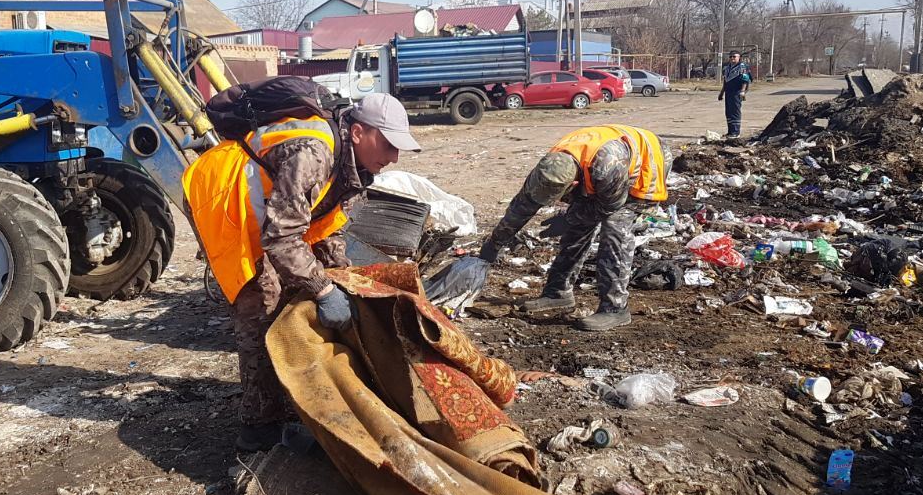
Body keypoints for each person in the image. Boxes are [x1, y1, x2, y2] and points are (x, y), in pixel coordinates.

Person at [182, 92, 420, 451]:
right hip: (222, 201)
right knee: (263, 302)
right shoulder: (313, 152)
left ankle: (291, 391)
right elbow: (280, 238)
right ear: (357, 132)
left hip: (264, 214)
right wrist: (323, 289)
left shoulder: (351, 165)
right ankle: (259, 431)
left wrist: (340, 275)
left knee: (300, 290)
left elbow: (325, 226)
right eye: (387, 144)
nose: (393, 157)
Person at [465, 125, 670, 331]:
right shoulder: (547, 169)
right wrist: (495, 242)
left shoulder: (606, 168)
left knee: (615, 227)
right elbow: (522, 206)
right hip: (601, 166)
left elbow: (608, 207)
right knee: (578, 223)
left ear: (572, 184)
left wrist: (569, 217)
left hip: (647, 162)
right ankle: (558, 292)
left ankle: (615, 308)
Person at [718, 51, 751, 139]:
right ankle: (730, 131)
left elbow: (745, 80)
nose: (732, 58)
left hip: (737, 91)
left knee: (735, 112)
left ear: (739, 57)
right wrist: (721, 93)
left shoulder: (742, 67)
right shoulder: (727, 68)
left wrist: (743, 91)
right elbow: (725, 81)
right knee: (728, 112)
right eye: (731, 57)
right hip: (729, 91)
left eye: (734, 57)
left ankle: (736, 132)